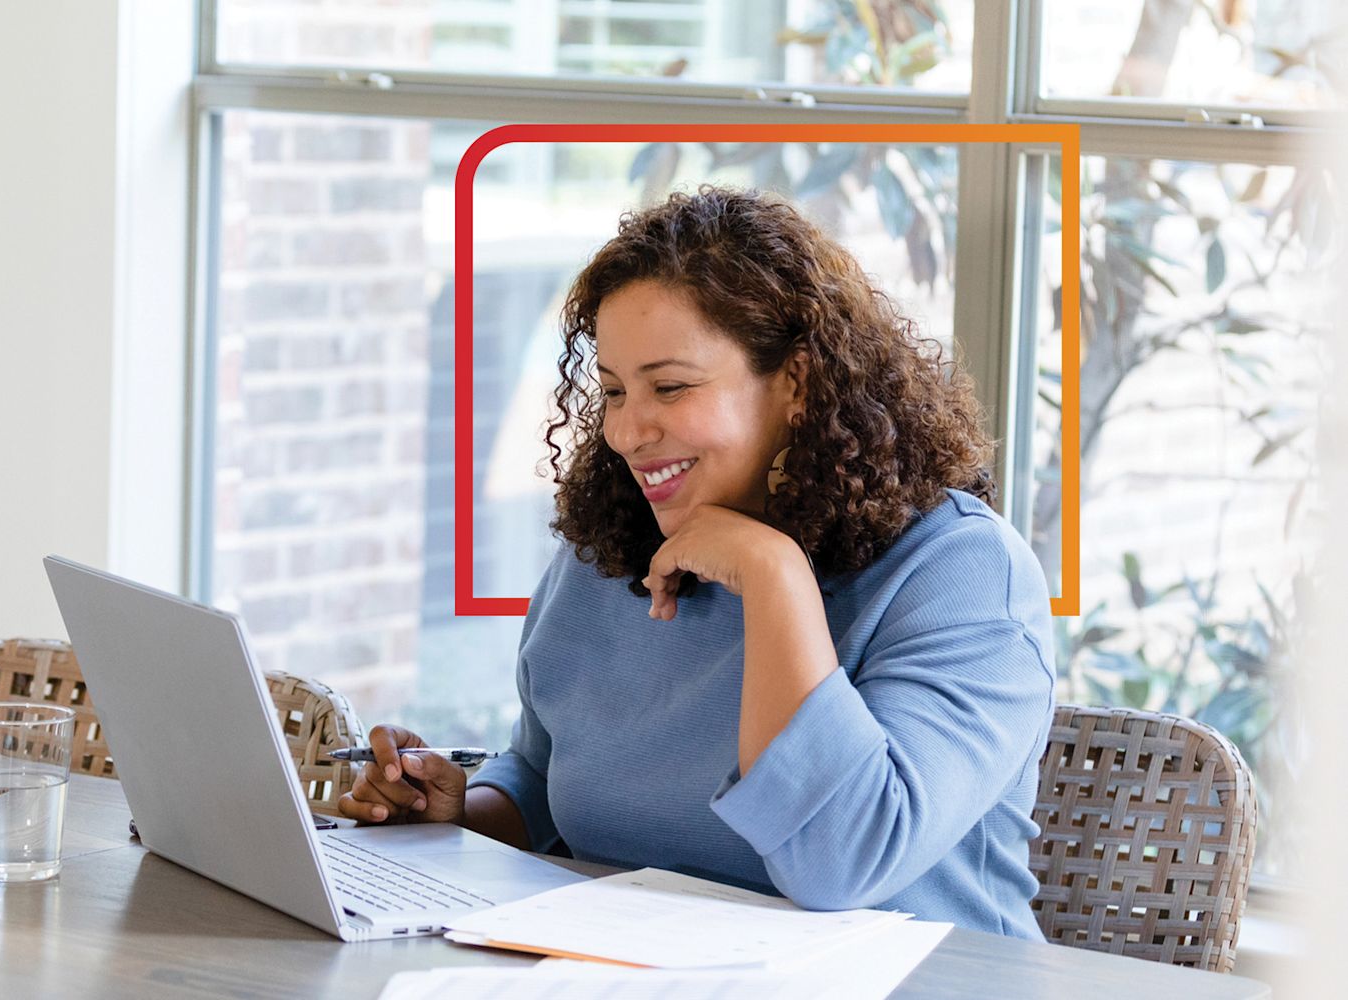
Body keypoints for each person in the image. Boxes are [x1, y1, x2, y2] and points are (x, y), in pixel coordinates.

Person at [336, 185, 1056, 939]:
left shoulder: (961, 574)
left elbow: (840, 861)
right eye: (613, 391)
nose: (625, 431)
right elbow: (548, 775)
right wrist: (461, 813)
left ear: (799, 384)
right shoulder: (612, 546)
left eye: (669, 387)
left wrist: (771, 573)